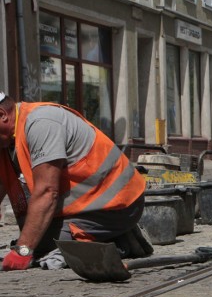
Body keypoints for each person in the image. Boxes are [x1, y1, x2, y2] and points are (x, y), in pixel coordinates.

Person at [0, 92, 147, 271]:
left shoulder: (40, 123)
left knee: (41, 242)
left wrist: (22, 251)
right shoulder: (8, 141)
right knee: (32, 231)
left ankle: (118, 241)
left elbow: (47, 191)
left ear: (2, 115)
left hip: (119, 203)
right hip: (87, 205)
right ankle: (106, 235)